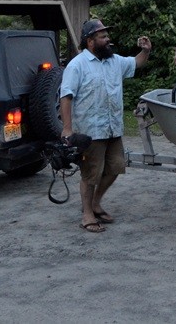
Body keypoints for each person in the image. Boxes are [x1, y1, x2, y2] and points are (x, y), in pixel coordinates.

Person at [59, 18, 151, 234]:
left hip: (113, 128)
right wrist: (67, 128)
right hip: (90, 132)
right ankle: (87, 214)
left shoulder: (115, 61)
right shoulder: (77, 65)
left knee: (116, 167)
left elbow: (136, 63)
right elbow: (66, 97)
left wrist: (146, 51)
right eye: (103, 37)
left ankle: (96, 203)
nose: (108, 40)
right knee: (91, 174)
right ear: (91, 41)